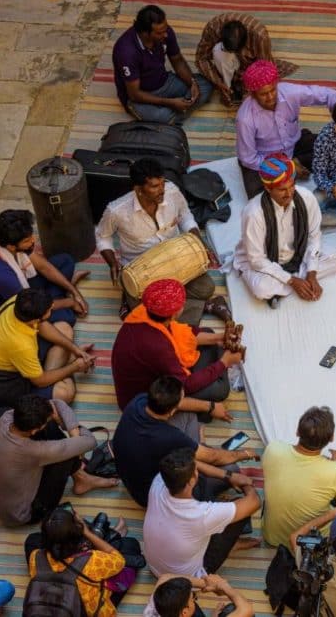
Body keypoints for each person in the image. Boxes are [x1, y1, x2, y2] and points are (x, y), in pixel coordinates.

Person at [96, 157, 222, 325]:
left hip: (176, 256)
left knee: (207, 288)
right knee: (141, 309)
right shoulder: (116, 211)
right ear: (139, 189)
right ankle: (207, 307)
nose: (162, 190)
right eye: (155, 186)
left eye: (162, 183)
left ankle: (167, 306)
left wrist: (200, 243)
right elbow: (102, 236)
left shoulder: (172, 192)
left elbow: (185, 216)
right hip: (142, 268)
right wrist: (112, 262)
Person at [113, 376, 257, 507]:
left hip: (132, 473)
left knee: (188, 414)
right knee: (231, 468)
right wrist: (244, 454)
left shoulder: (138, 401)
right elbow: (214, 457)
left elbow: (183, 406)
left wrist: (211, 407)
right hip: (149, 496)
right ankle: (199, 456)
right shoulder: (168, 437)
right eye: (181, 399)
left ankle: (197, 449)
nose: (184, 400)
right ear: (171, 411)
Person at [260, 405, 336, 549]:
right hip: (311, 541)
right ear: (331, 438)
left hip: (273, 537)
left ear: (297, 431)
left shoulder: (273, 448)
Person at [234, 154, 336, 309]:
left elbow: (314, 236)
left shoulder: (306, 198)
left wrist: (312, 273)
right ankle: (292, 281)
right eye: (282, 190)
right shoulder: (253, 213)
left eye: (291, 186)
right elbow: (257, 259)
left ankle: (292, 284)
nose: (289, 194)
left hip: (297, 255)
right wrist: (293, 281)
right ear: (268, 188)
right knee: (262, 289)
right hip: (267, 260)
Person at [111, 278, 238, 416]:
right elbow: (185, 385)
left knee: (207, 333)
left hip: (160, 365)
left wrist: (219, 337)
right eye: (183, 303)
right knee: (220, 389)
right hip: (144, 398)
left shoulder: (145, 310)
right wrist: (225, 362)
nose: (184, 304)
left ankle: (215, 359)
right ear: (175, 313)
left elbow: (180, 332)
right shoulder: (157, 346)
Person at [0, 394, 116, 526]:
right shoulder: (33, 450)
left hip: (7, 501)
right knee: (66, 454)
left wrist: (73, 431)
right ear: (34, 430)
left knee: (52, 430)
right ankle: (83, 479)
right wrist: (64, 425)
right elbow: (90, 441)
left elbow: (56, 403)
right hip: (25, 513)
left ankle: (82, 479)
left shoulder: (7, 417)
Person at [144, 447, 261, 578]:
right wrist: (246, 482)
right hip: (190, 579)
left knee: (205, 494)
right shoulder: (201, 515)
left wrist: (229, 476)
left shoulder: (159, 481)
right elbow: (254, 502)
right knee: (241, 511)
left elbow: (194, 465)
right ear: (193, 478)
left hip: (156, 569)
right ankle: (231, 545)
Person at [235, 59, 336, 198]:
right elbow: (248, 159)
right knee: (260, 197)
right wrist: (285, 167)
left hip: (294, 145)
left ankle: (297, 163)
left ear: (276, 84)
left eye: (272, 90)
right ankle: (296, 167)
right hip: (266, 159)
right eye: (263, 94)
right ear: (253, 94)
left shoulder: (289, 92)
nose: (270, 97)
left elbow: (330, 95)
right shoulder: (245, 118)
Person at [0, 289, 93, 409]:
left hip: (16, 359)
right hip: (4, 384)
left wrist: (74, 348)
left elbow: (42, 325)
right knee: (65, 393)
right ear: (35, 319)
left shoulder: (19, 302)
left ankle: (59, 368)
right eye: (50, 310)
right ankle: (64, 366)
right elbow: (39, 381)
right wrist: (75, 367)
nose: (52, 309)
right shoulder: (21, 345)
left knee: (64, 329)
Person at [0, 208, 88, 327]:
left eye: (31, 235)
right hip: (11, 311)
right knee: (67, 317)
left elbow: (44, 267)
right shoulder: (2, 277)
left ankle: (57, 294)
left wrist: (74, 292)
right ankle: (58, 295)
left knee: (65, 261)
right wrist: (70, 302)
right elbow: (30, 307)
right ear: (11, 247)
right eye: (27, 240)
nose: (34, 240)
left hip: (24, 288)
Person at [111, 4, 211, 124]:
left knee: (205, 85)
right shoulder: (126, 51)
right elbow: (134, 94)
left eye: (165, 29)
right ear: (145, 33)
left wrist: (192, 83)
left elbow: (177, 60)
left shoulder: (165, 32)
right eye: (159, 33)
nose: (165, 35)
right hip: (141, 97)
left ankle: (176, 112)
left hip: (165, 82)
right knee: (163, 116)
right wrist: (171, 103)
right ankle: (174, 111)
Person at [27, 508, 134, 616]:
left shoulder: (35, 556)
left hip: (49, 609)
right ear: (78, 533)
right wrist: (87, 532)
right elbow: (119, 560)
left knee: (31, 541)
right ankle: (108, 536)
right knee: (132, 546)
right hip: (84, 612)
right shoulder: (92, 560)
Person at [194, 12, 298, 107]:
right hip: (228, 62)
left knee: (256, 96)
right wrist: (219, 84)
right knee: (218, 51)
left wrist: (250, 92)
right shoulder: (213, 27)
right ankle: (228, 85)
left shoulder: (260, 36)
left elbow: (265, 68)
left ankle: (236, 85)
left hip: (250, 64)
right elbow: (201, 58)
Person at [146, 573, 254, 617]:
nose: (194, 598)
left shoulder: (151, 610)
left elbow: (166, 578)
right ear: (184, 612)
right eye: (193, 597)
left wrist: (208, 585)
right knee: (235, 609)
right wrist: (224, 586)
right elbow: (247, 609)